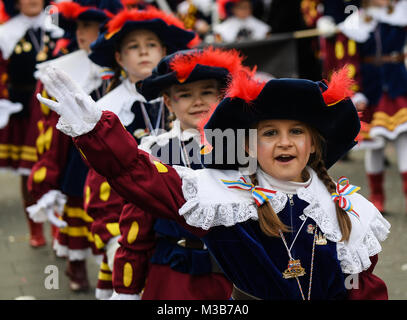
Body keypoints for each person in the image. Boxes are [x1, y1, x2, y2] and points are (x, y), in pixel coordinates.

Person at [38, 61, 390, 299]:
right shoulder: (222, 197)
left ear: (313, 144)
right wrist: (95, 128)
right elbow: (139, 174)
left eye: (296, 131)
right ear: (248, 145)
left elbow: (363, 288)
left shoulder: (349, 210)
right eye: (269, 132)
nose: (284, 142)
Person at [110, 47, 250, 300]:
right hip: (173, 275)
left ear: (222, 96)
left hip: (235, 275)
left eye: (207, 92)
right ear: (168, 102)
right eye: (185, 94)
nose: (197, 101)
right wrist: (126, 289)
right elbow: (136, 227)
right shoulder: (154, 151)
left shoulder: (242, 145)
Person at [80, 6, 199, 299]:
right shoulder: (107, 110)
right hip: (130, 224)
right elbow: (101, 183)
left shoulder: (189, 99)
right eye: (134, 46)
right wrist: (112, 237)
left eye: (151, 45)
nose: (143, 52)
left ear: (165, 51)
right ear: (119, 58)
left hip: (187, 222)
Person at [26, 0, 123, 292]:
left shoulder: (120, 66)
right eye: (80, 25)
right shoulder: (60, 69)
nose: (84, 32)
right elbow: (48, 129)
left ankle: (111, 273)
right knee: (76, 210)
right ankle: (75, 266)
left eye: (92, 25)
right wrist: (47, 173)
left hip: (115, 154)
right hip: (77, 154)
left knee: (113, 218)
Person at [0, 0, 64, 248]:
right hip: (23, 110)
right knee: (29, 171)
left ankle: (59, 226)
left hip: (57, 106)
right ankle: (35, 227)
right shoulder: (7, 32)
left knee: (58, 166)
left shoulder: (56, 21)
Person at [337, 0, 407, 214]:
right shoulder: (355, 23)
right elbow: (346, 59)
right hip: (370, 88)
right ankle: (377, 194)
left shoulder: (400, 14)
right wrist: (354, 90)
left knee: (404, 136)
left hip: (397, 83)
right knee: (374, 144)